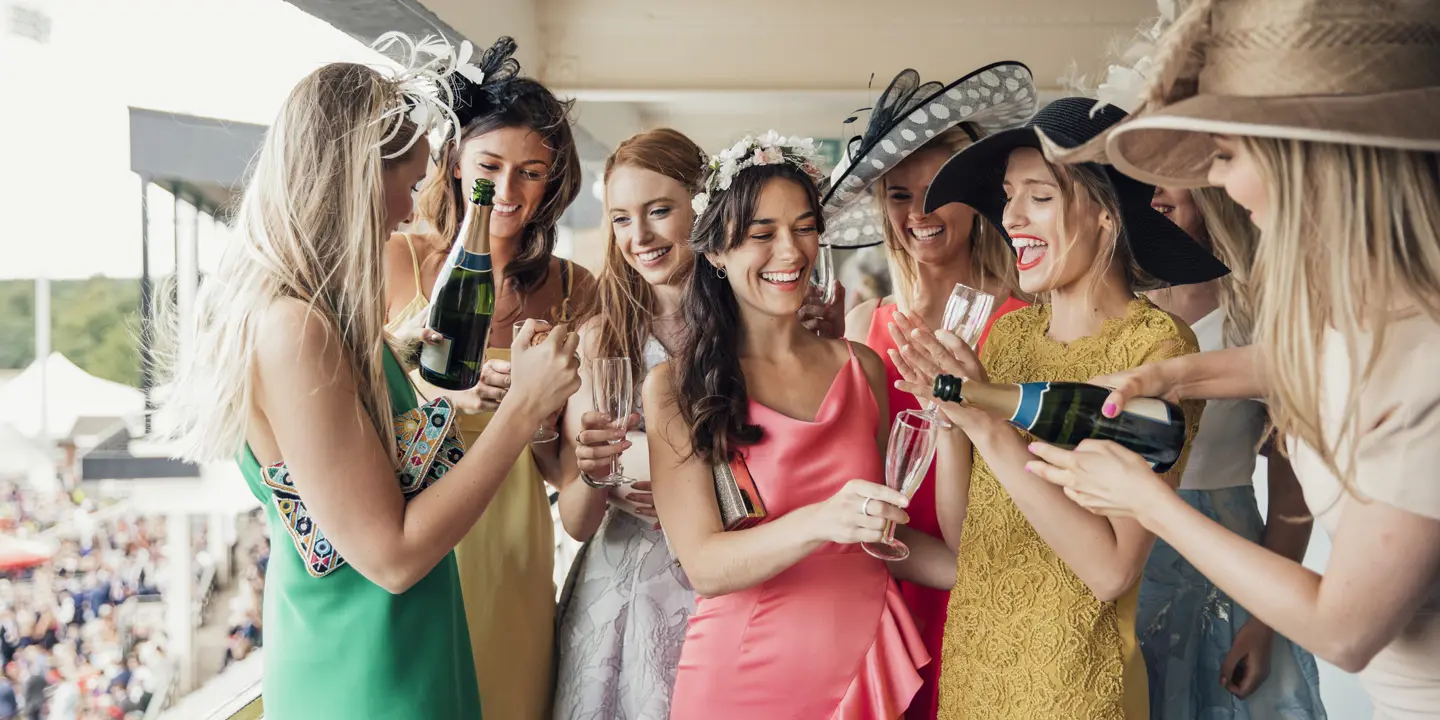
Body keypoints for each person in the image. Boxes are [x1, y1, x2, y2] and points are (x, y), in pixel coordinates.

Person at [1026, 1, 1440, 716]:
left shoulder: (1427, 352)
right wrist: (1171, 375)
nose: (1222, 185)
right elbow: (1304, 362)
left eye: (1226, 157)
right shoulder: (1375, 311)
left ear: (1308, 158)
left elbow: (1344, 632)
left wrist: (1146, 502)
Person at [161, 37, 581, 718]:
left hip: (392, 641)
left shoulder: (315, 317)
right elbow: (390, 554)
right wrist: (521, 408)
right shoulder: (295, 328)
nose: (411, 210)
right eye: (410, 183)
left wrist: (410, 362)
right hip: (368, 666)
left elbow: (363, 471)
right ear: (355, 173)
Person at [888, 96, 1228, 719]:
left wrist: (990, 430)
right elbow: (974, 539)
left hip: (1070, 686)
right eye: (1010, 195)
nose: (1011, 216)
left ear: (1105, 214)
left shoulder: (1156, 348)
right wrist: (951, 419)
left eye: (1039, 196)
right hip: (974, 673)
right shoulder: (1010, 336)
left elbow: (1109, 571)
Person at [645, 131, 928, 717]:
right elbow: (704, 565)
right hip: (743, 677)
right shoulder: (676, 388)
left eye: (803, 228)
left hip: (862, 665)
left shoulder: (863, 368)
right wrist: (824, 518)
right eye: (761, 234)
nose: (790, 252)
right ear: (718, 252)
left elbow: (884, 538)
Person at [389, 37, 596, 718]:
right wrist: (424, 382)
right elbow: (353, 399)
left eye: (531, 172)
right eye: (491, 166)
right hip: (415, 525)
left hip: (515, 535)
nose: (508, 192)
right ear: (454, 163)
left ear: (553, 180)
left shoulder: (575, 290)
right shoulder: (397, 260)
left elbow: (566, 466)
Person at [826, 63, 1038, 719]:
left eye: (937, 190)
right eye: (898, 194)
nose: (917, 213)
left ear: (977, 199)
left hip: (984, 583)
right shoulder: (864, 325)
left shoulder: (1026, 327)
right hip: (884, 588)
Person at [1141, 186, 1326, 719]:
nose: (1151, 188)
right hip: (1123, 566)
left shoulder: (1262, 312)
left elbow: (1293, 491)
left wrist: (1266, 622)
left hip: (1230, 574)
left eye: (1166, 172)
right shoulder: (1110, 305)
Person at [551, 128, 705, 719]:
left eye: (659, 211)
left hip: (719, 583)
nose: (638, 236)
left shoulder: (747, 333)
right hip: (619, 593)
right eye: (620, 218)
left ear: (703, 205)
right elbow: (576, 523)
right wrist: (591, 475)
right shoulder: (598, 341)